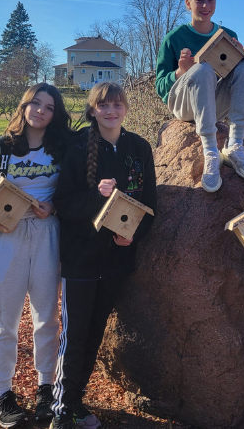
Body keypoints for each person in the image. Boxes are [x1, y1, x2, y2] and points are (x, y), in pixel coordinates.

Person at [50, 82, 157, 429]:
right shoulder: (78, 146)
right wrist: (97, 195)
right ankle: (61, 408)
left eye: (117, 105)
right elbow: (63, 203)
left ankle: (76, 401)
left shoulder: (138, 147)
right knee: (75, 333)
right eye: (103, 106)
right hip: (81, 258)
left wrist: (134, 235)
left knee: (95, 331)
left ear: (126, 108)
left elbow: (150, 203)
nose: (111, 111)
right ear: (93, 109)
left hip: (117, 260)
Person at [0, 83, 73, 428]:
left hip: (47, 234)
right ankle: (4, 392)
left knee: (47, 317)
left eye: (49, 106)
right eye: (36, 103)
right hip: (8, 238)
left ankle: (46, 388)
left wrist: (55, 206)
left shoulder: (62, 149)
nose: (41, 110)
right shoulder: (0, 150)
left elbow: (76, 191)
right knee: (5, 320)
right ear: (24, 106)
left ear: (55, 114)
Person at [155, 0, 244, 193]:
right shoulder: (174, 38)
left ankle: (234, 145)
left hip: (213, 103)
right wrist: (180, 71)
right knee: (202, 69)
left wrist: (238, 59)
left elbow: (233, 78)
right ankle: (211, 151)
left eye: (210, 0)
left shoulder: (228, 36)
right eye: (199, 0)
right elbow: (160, 87)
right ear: (188, 4)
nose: (205, 6)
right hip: (183, 104)